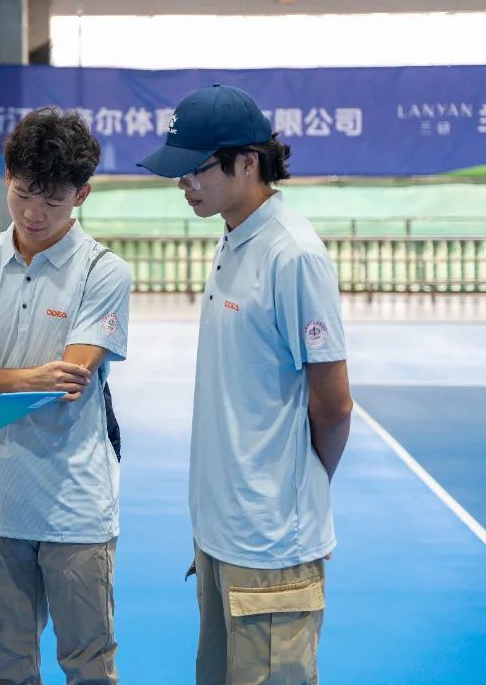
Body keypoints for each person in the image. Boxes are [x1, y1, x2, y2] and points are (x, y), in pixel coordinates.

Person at [138, 83, 353, 685]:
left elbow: (334, 405)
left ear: (248, 162)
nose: (184, 184)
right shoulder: (234, 238)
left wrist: (294, 487)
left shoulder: (293, 255)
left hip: (271, 543)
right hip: (220, 532)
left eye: (196, 170)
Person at [0, 107, 132, 684]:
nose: (32, 213)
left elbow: (69, 381)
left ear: (82, 195)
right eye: (22, 193)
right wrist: (22, 379)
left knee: (89, 666)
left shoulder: (104, 271)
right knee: (7, 664)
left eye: (53, 200)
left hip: (77, 506)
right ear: (7, 177)